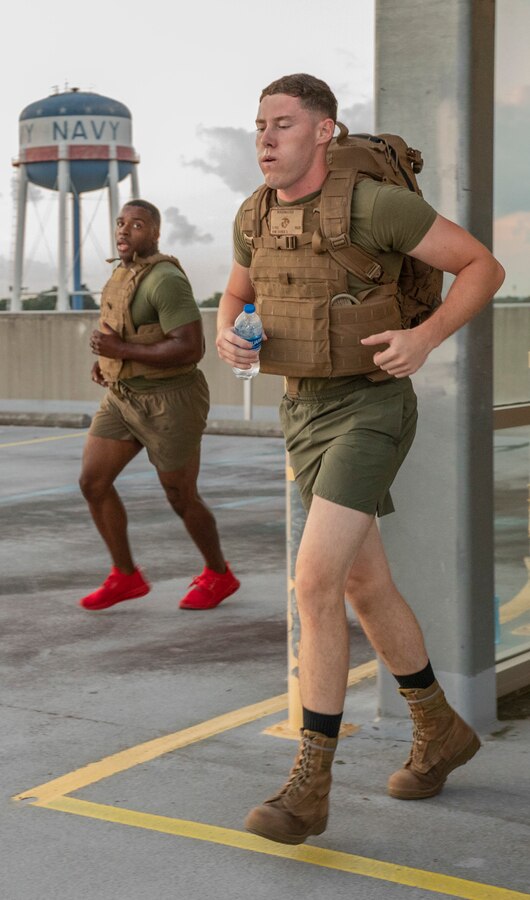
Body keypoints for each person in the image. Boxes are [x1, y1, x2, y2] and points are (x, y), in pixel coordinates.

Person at [216, 74, 505, 845]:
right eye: (259, 124)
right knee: (365, 585)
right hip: (302, 410)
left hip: (371, 408)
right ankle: (439, 729)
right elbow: (236, 294)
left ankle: (310, 787)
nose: (265, 137)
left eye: (283, 123)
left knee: (314, 581)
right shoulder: (254, 213)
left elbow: (483, 266)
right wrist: (228, 333)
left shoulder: (374, 206)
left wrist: (425, 338)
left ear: (323, 131)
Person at [79, 199, 239, 612]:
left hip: (171, 400)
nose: (124, 230)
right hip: (123, 397)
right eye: (121, 222)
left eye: (136, 224)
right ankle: (125, 576)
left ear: (154, 233)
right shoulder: (122, 274)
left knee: (180, 495)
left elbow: (190, 347)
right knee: (93, 483)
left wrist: (121, 350)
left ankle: (219, 574)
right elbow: (123, 333)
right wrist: (109, 361)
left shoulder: (166, 280)